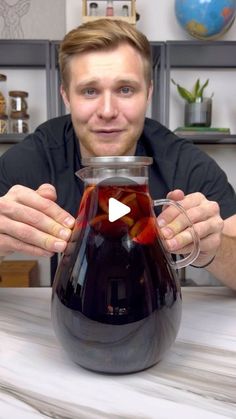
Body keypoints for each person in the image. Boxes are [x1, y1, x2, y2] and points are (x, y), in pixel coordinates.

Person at [0, 19, 235, 288]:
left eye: (125, 89)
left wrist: (214, 248)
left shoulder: (183, 162)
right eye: (90, 91)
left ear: (148, 93)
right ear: (66, 96)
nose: (108, 111)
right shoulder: (32, 158)